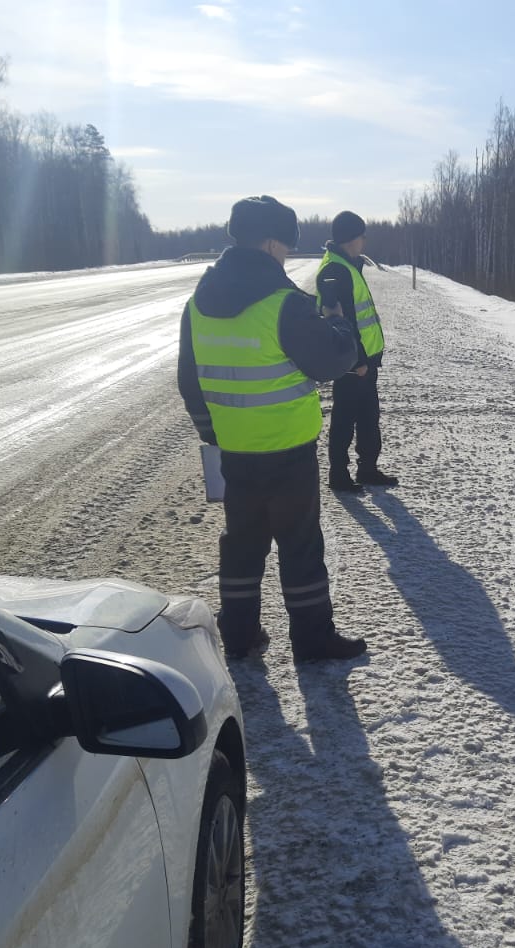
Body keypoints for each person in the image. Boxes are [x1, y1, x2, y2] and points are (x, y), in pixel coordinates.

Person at [176, 195, 368, 664]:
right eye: (284, 245)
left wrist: (214, 432)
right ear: (267, 243)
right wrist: (340, 327)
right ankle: (312, 640)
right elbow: (334, 359)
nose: (285, 254)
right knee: (300, 545)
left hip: (235, 451)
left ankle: (238, 636)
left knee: (242, 544)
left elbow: (189, 378)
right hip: (287, 449)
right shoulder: (284, 304)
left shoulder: (198, 304)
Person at [316, 211, 396, 492]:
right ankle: (339, 475)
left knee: (368, 417)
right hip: (352, 362)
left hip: (365, 361)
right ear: (351, 238)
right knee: (344, 420)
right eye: (362, 235)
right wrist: (358, 360)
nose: (364, 240)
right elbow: (342, 319)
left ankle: (368, 469)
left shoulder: (347, 265)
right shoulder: (335, 271)